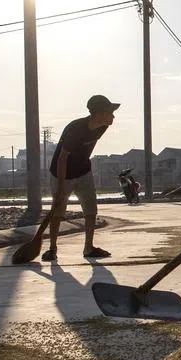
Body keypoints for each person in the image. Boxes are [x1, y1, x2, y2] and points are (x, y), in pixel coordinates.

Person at [42, 94, 119, 262]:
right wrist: (61, 188)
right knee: (58, 211)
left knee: (91, 210)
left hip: (83, 172)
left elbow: (88, 147)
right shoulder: (75, 130)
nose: (113, 116)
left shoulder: (102, 126)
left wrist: (82, 163)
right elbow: (62, 159)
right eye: (110, 112)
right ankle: (52, 248)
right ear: (98, 114)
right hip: (62, 173)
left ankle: (88, 248)